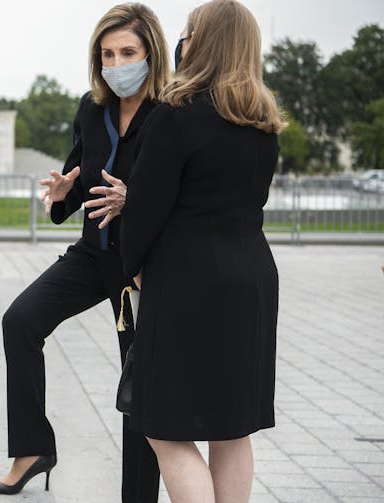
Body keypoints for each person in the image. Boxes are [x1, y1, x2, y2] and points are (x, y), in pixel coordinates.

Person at [0, 3, 167, 500]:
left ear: (151, 53)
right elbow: (81, 176)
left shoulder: (173, 113)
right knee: (20, 321)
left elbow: (181, 193)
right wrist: (64, 191)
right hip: (92, 253)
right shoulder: (92, 106)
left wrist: (135, 201)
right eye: (108, 53)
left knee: (137, 385)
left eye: (128, 52)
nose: (118, 63)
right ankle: (32, 450)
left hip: (141, 266)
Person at [118, 1, 284, 501]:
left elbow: (144, 211)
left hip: (187, 282)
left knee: (163, 427)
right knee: (232, 428)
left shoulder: (176, 116)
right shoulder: (264, 123)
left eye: (189, 32)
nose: (182, 42)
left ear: (202, 43)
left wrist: (136, 270)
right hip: (252, 277)